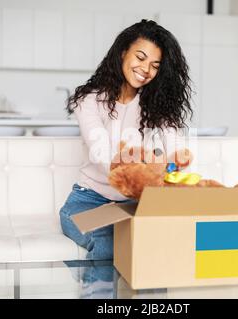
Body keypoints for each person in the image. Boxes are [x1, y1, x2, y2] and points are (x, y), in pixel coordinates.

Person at [59, 19, 193, 289]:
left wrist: (176, 162)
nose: (146, 69)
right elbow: (101, 152)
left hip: (134, 205)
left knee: (156, 243)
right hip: (87, 202)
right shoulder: (89, 100)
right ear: (123, 53)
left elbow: (175, 145)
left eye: (155, 65)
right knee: (110, 240)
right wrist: (138, 167)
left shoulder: (156, 104)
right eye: (140, 57)